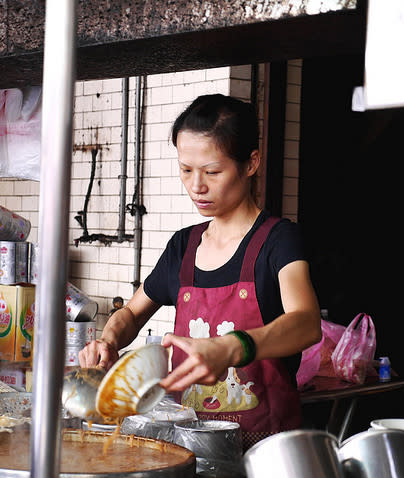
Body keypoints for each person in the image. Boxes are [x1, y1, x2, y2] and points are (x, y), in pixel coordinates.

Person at [78, 93, 321, 448]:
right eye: (186, 170)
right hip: (189, 446)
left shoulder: (279, 240)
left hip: (264, 451)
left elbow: (305, 322)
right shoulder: (183, 246)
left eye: (212, 172)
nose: (196, 186)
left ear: (251, 163)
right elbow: (130, 312)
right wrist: (108, 341)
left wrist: (232, 347)